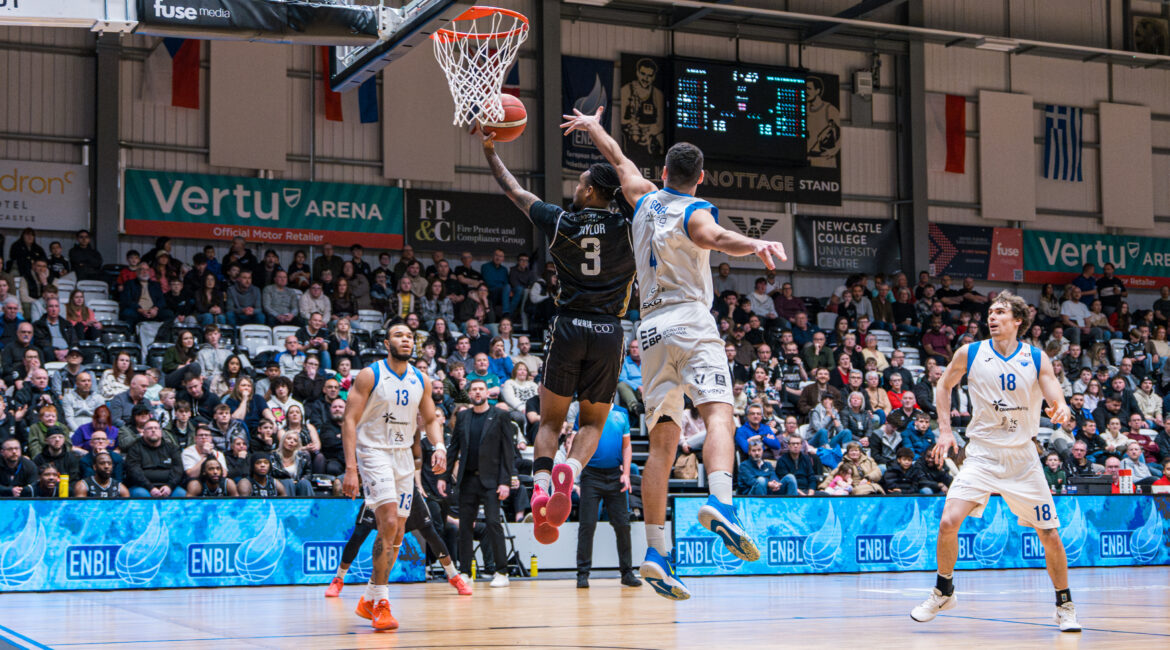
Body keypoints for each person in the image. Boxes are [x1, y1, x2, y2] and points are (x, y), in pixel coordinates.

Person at [563, 106, 786, 599]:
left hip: (649, 332)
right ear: (699, 178)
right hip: (690, 321)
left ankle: (656, 552)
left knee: (663, 442)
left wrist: (594, 126)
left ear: (662, 173)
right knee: (719, 414)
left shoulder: (641, 197)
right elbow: (715, 238)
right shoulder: (696, 208)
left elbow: (618, 158)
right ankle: (721, 504)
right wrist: (754, 242)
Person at [483, 129, 639, 548]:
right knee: (592, 422)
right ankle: (569, 468)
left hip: (568, 326)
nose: (575, 186)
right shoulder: (630, 228)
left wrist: (490, 152)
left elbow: (514, 191)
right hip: (609, 331)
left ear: (589, 192)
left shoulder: (562, 222)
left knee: (551, 420)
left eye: (580, 182)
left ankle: (539, 483)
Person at [911, 291, 1081, 632]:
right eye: (990, 312)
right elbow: (943, 387)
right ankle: (944, 591)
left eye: (1000, 312)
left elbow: (1055, 395)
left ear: (1018, 320)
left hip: (1022, 458)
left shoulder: (1036, 358)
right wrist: (945, 431)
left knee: (1049, 534)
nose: (991, 317)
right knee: (948, 522)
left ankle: (1065, 605)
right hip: (982, 455)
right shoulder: (970, 352)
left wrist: (1061, 408)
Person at [340, 324, 447, 631]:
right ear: (386, 342)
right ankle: (382, 603)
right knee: (387, 522)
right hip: (373, 452)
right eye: (399, 335)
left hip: (403, 456)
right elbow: (349, 420)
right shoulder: (369, 374)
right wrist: (351, 468)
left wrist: (438, 446)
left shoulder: (420, 378)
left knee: (398, 532)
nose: (405, 340)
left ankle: (369, 597)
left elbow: (429, 419)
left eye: (410, 337)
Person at [325, 479, 473, 598]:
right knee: (358, 535)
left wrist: (438, 449)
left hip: (406, 487)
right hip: (381, 487)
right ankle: (339, 579)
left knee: (430, 533)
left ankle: (454, 576)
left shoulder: (409, 444)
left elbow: (417, 458)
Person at [441, 379, 514, 588]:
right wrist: (444, 478)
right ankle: (465, 571)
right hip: (468, 479)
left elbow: (508, 451)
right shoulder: (463, 416)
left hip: (492, 480)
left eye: (481, 388)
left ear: (487, 393)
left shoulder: (500, 415)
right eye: (474, 389)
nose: (478, 392)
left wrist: (506, 481)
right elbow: (453, 449)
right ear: (469, 394)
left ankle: (502, 571)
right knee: (465, 526)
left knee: (493, 523)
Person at [576, 405, 641, 589]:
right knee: (587, 525)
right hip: (591, 475)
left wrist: (626, 473)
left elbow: (626, 447)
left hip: (616, 476)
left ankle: (627, 573)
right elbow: (576, 441)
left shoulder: (621, 413)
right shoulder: (586, 412)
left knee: (623, 526)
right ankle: (582, 574)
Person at [124, 419, 186, 498]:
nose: (153, 430)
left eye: (156, 428)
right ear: (143, 432)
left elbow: (178, 469)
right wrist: (150, 488)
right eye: (149, 428)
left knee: (181, 494)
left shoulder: (172, 448)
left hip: (169, 487)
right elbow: (134, 471)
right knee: (141, 494)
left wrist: (170, 486)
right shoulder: (135, 448)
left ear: (161, 432)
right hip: (142, 487)